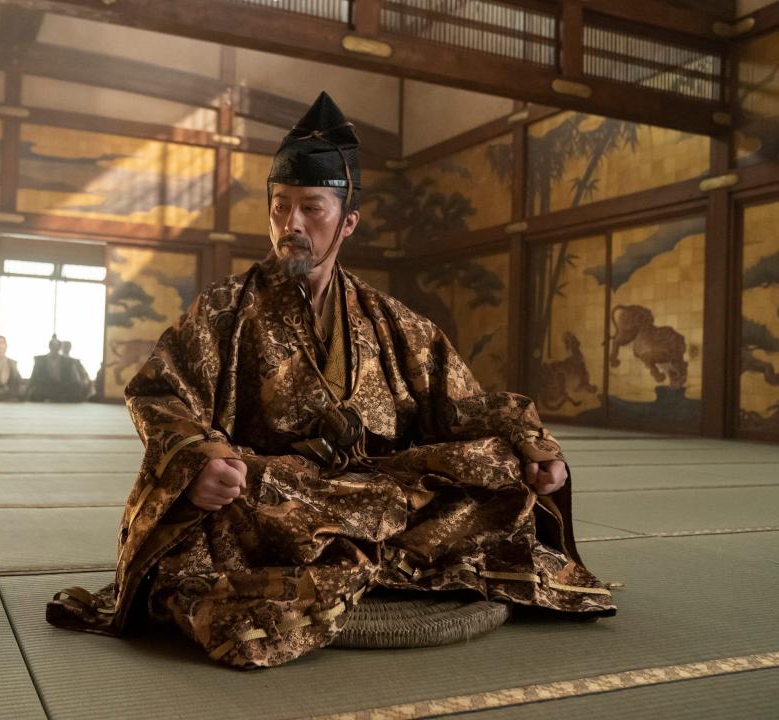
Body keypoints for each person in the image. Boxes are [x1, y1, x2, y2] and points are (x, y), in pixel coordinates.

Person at [46, 93, 615, 668]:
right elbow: (159, 391)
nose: (289, 224)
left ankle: (359, 544)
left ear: (347, 222)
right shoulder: (224, 310)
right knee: (229, 512)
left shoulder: (390, 319)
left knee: (496, 464)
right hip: (269, 497)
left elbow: (464, 405)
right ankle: (369, 550)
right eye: (280, 206)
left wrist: (534, 447)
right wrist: (200, 463)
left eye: (310, 208)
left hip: (377, 489)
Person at [27, 335, 89, 402]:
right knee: (36, 391)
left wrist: (81, 382)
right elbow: (34, 377)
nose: (54, 348)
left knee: (75, 388)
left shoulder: (67, 361)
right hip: (46, 386)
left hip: (62, 386)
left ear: (59, 348)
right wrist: (28, 388)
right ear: (49, 347)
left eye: (57, 347)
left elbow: (72, 378)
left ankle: (57, 399)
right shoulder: (40, 360)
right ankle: (54, 398)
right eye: (52, 346)